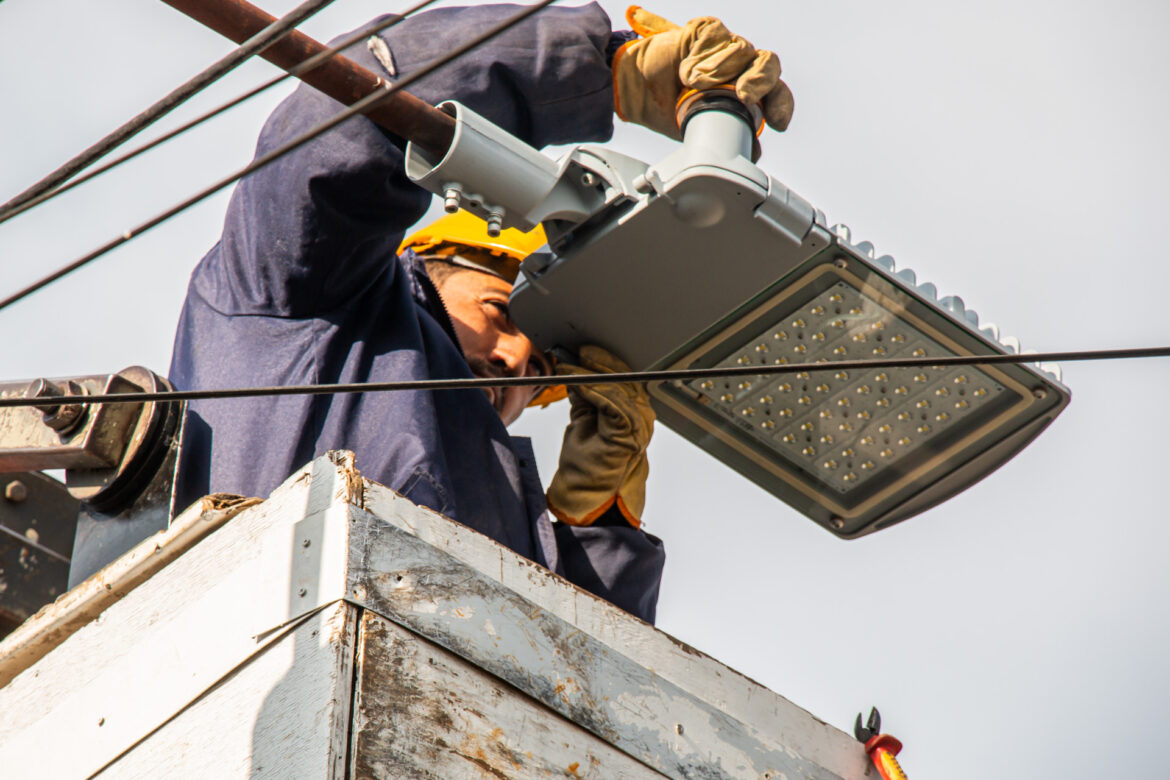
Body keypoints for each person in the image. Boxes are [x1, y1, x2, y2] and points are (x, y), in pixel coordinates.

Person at [168, 4, 793, 624]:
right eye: (501, 309)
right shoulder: (302, 298)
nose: (518, 357)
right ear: (429, 266)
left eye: (543, 363)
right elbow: (338, 134)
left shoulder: (501, 501)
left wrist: (595, 522)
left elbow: (583, 696)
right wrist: (601, 70)